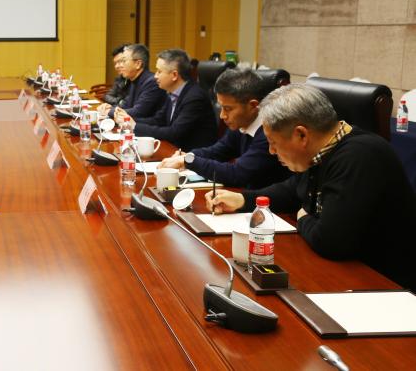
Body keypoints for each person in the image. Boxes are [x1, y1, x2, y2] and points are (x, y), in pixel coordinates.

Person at [206, 84, 416, 290]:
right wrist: (243, 200)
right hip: (347, 272)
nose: (271, 151)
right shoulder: (324, 149)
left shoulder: (359, 157)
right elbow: (292, 191)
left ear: (301, 135)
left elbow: (330, 242)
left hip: (384, 284)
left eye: (273, 142)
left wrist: (303, 218)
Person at [158, 68, 290, 188]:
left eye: (228, 109)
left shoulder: (269, 133)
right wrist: (187, 156)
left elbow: (236, 174)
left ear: (253, 106)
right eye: (221, 108)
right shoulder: (242, 124)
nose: (222, 115)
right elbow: (218, 151)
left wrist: (189, 161)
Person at [124, 49, 217, 150]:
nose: (155, 76)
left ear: (174, 75)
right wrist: (128, 120)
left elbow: (174, 133)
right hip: (174, 149)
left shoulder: (194, 98)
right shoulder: (172, 92)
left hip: (192, 154)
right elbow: (159, 120)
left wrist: (135, 126)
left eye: (159, 71)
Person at [97, 44, 166, 121]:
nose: (121, 65)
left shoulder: (152, 82)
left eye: (123, 61)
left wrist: (109, 111)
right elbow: (126, 105)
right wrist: (110, 108)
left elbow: (138, 112)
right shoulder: (133, 80)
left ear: (138, 64)